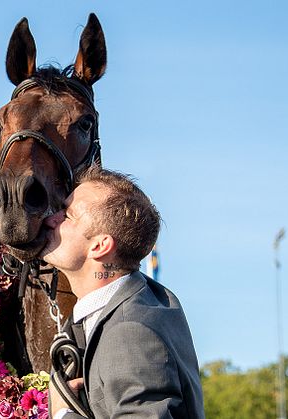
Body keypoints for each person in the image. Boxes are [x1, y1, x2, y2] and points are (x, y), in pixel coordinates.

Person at [41, 168, 204, 419]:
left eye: (67, 215)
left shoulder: (131, 330)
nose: (52, 219)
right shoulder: (138, 303)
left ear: (100, 246)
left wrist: (63, 413)